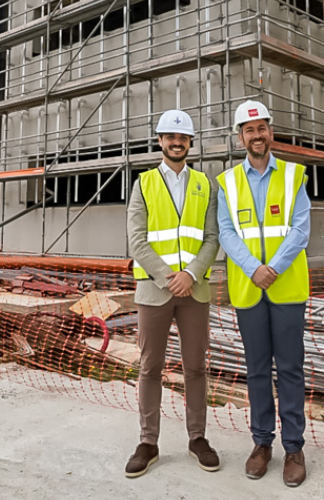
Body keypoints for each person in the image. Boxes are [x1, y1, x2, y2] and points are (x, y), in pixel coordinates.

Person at [216, 99, 310, 487]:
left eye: (262, 128)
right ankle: (261, 443)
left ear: (270, 131)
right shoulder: (227, 182)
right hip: (249, 290)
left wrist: (274, 267)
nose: (257, 135)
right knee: (256, 371)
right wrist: (255, 268)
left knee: (289, 369)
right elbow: (225, 232)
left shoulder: (293, 176)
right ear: (241, 137)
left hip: (286, 289)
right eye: (249, 130)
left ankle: (293, 447)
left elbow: (300, 229)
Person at [124, 109, 221, 479]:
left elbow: (212, 238)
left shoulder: (206, 184)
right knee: (150, 368)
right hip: (154, 291)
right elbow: (137, 240)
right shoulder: (144, 184)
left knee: (196, 367)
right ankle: (148, 443)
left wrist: (191, 274)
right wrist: (169, 277)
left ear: (190, 143)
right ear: (161, 141)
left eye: (183, 138)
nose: (176, 142)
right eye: (170, 137)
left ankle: (198, 438)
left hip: (194, 291)